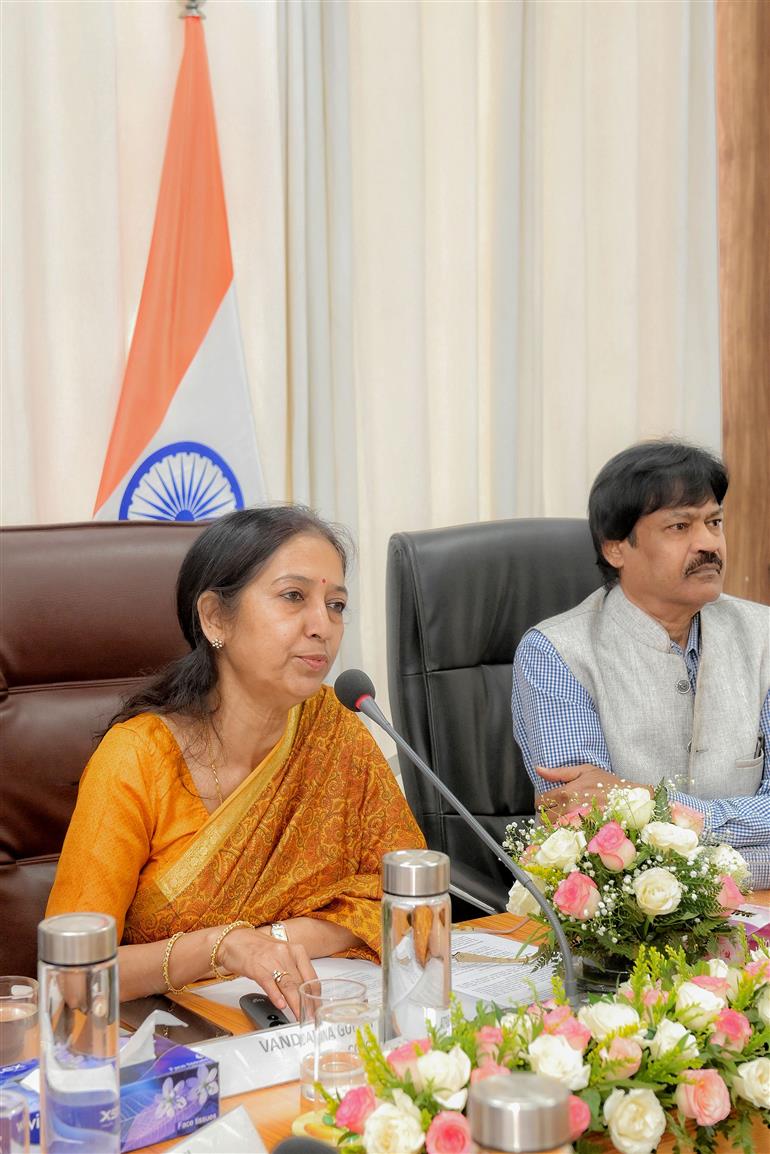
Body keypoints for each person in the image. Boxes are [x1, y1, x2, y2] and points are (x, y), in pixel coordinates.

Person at [47, 506, 424, 1010]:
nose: (323, 626)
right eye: (294, 597)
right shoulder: (137, 759)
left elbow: (407, 906)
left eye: (335, 604)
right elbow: (71, 977)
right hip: (167, 1042)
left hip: (320, 1016)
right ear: (214, 617)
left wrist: (271, 939)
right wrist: (223, 948)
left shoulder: (335, 729)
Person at [512, 440, 770, 888]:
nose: (708, 544)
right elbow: (594, 840)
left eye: (714, 522)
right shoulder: (555, 653)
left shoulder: (764, 635)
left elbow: (632, 826)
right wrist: (749, 854)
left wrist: (652, 804)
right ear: (616, 549)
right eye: (679, 527)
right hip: (626, 932)